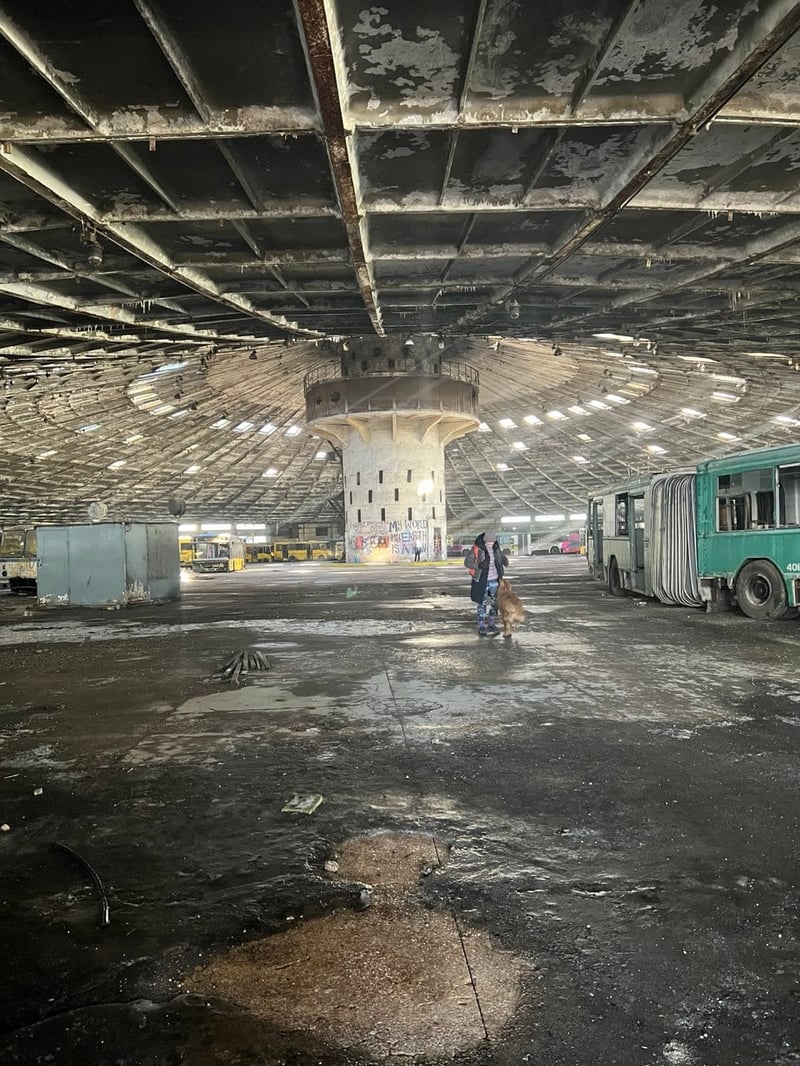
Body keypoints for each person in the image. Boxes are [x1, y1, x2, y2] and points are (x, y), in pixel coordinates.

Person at [464, 531, 509, 636]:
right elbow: (467, 562)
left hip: (495, 581)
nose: (490, 544)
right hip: (482, 581)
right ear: (484, 541)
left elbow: (501, 557)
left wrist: (504, 560)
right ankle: (481, 625)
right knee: (482, 603)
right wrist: (479, 565)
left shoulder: (496, 548)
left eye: (492, 542)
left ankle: (491, 624)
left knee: (495, 604)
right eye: (488, 542)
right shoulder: (477, 549)